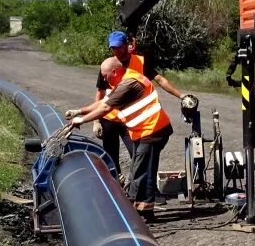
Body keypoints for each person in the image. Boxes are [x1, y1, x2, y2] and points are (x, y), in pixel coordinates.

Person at [67, 55, 173, 214]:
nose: (103, 78)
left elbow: (105, 109)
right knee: (142, 168)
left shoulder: (128, 84)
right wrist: (79, 111)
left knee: (141, 170)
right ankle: (143, 207)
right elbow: (103, 102)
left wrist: (81, 120)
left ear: (115, 72)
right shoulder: (124, 80)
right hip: (144, 131)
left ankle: (142, 208)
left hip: (153, 130)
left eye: (105, 75)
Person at [93, 30, 186, 172]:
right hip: (109, 119)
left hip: (129, 120)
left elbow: (159, 79)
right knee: (111, 158)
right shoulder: (108, 66)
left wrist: (181, 95)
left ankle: (141, 186)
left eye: (118, 46)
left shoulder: (140, 62)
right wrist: (96, 121)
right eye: (113, 48)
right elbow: (100, 92)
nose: (116, 50)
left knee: (137, 155)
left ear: (126, 44)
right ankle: (117, 186)